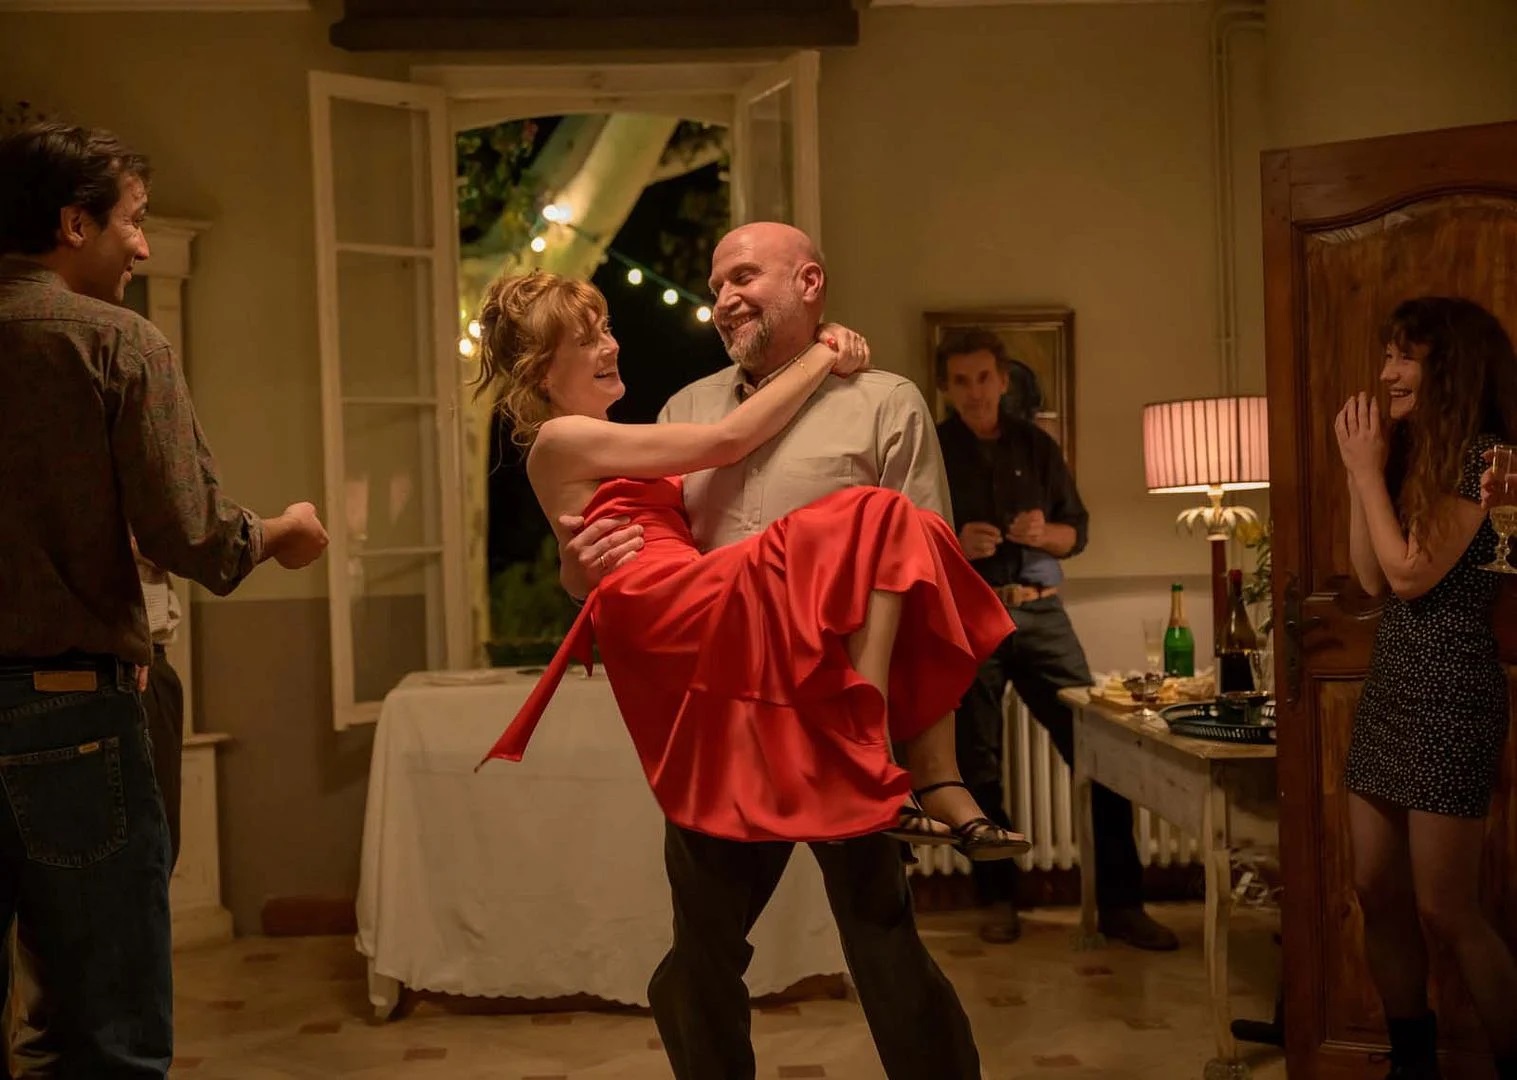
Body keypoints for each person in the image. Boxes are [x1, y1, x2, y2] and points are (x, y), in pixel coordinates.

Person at [535, 223, 998, 1079]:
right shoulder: (684, 411)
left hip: (834, 720)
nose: (723, 299)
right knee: (703, 952)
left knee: (882, 938)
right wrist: (574, 569)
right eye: (716, 285)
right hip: (723, 718)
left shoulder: (885, 401)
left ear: (808, 283)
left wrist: (910, 742)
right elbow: (635, 564)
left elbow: (923, 565)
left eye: (743, 277)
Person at [477, 268, 1028, 859]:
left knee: (907, 528)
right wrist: (824, 352)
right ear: (542, 372)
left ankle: (919, 770)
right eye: (587, 340)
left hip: (684, 591)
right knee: (880, 513)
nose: (610, 346)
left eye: (606, 328)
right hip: (666, 602)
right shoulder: (559, 438)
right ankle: (869, 753)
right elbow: (728, 441)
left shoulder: (611, 434)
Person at [0, 121, 329, 1077]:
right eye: (133, 221)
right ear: (74, 224)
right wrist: (283, 531)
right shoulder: (116, 342)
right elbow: (196, 538)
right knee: (100, 1030)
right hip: (70, 715)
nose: (143, 245)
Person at [933, 328, 1178, 951]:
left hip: (1042, 613)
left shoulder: (1036, 446)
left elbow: (1077, 534)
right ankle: (997, 900)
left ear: (1002, 380)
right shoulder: (933, 450)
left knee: (1100, 748)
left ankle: (1122, 905)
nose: (974, 392)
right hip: (970, 614)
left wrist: (1046, 535)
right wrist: (955, 545)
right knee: (977, 763)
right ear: (946, 388)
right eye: (961, 381)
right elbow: (907, 542)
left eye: (983, 377)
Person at [1335, 296, 1517, 1080]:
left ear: (1451, 367)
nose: (1386, 373)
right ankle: (1412, 1063)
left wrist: (1362, 472)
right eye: (1387, 354)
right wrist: (1362, 476)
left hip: (1453, 691)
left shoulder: (1490, 459)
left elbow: (1412, 575)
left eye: (1403, 356)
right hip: (1393, 684)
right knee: (1374, 886)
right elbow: (1370, 576)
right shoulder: (1415, 450)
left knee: (1445, 907)